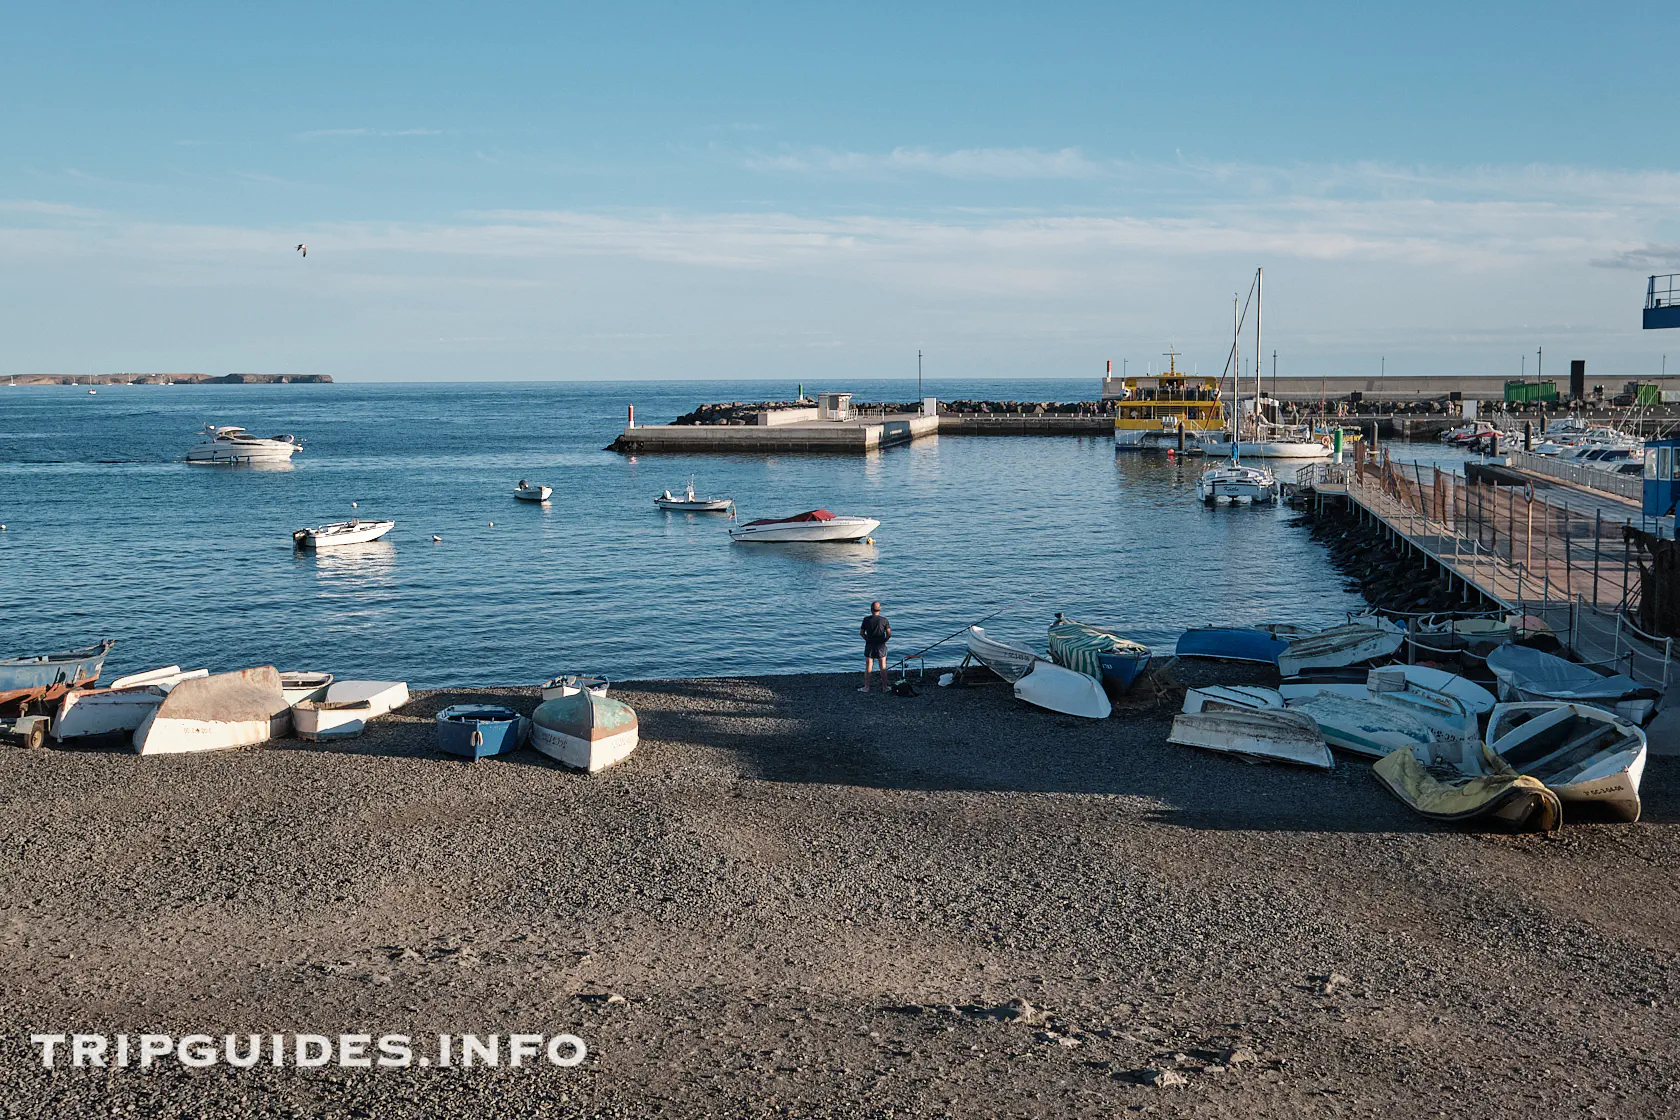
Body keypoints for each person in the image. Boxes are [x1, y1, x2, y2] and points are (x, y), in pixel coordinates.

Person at [859, 601, 890, 693]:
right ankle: (885, 687)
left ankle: (867, 687)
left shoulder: (866, 619)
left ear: (871, 609)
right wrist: (884, 640)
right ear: (879, 609)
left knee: (868, 667)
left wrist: (867, 639)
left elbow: (861, 633)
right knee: (883, 667)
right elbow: (889, 634)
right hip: (881, 645)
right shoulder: (884, 620)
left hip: (870, 645)